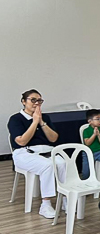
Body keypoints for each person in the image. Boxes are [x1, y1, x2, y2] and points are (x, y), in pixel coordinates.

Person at [7, 89, 66, 219]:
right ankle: (45, 204)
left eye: (39, 100)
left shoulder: (45, 118)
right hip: (24, 153)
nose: (36, 103)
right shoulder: (15, 119)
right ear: (23, 101)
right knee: (47, 166)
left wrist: (41, 122)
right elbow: (22, 141)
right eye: (33, 100)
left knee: (63, 163)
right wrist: (34, 122)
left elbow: (53, 138)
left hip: (47, 152)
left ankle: (64, 199)